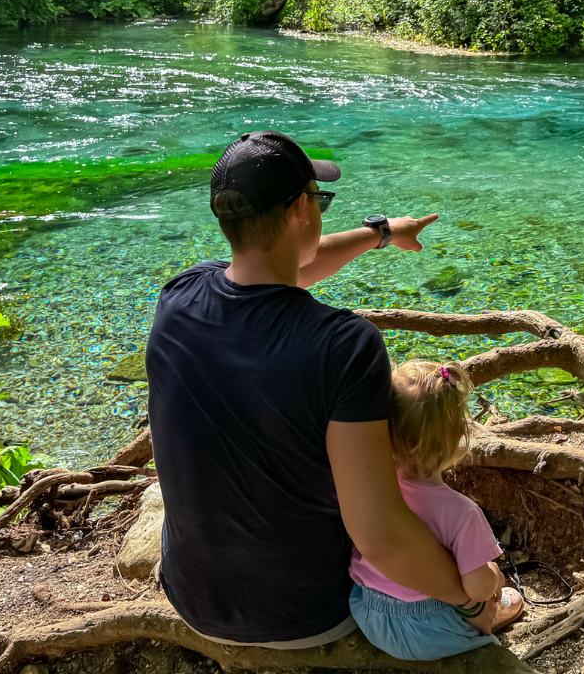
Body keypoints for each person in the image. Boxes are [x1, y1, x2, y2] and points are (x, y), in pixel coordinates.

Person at [145, 130, 470, 648]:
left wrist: (380, 233)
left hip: (192, 595)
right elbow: (379, 535)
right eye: (319, 200)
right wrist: (473, 597)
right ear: (302, 207)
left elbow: (285, 268)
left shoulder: (180, 295)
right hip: (302, 613)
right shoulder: (345, 346)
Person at [348, 360, 524, 660]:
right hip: (428, 629)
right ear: (457, 439)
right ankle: (487, 623)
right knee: (490, 587)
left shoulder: (372, 488)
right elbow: (477, 588)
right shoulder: (463, 513)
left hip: (367, 611)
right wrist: (495, 576)